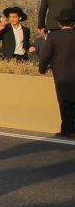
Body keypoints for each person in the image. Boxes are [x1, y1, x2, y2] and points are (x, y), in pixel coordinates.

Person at [37, 8, 75, 137]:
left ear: (59, 24)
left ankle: (67, 129)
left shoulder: (54, 36)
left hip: (61, 74)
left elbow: (45, 55)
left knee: (64, 102)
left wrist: (41, 68)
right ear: (73, 24)